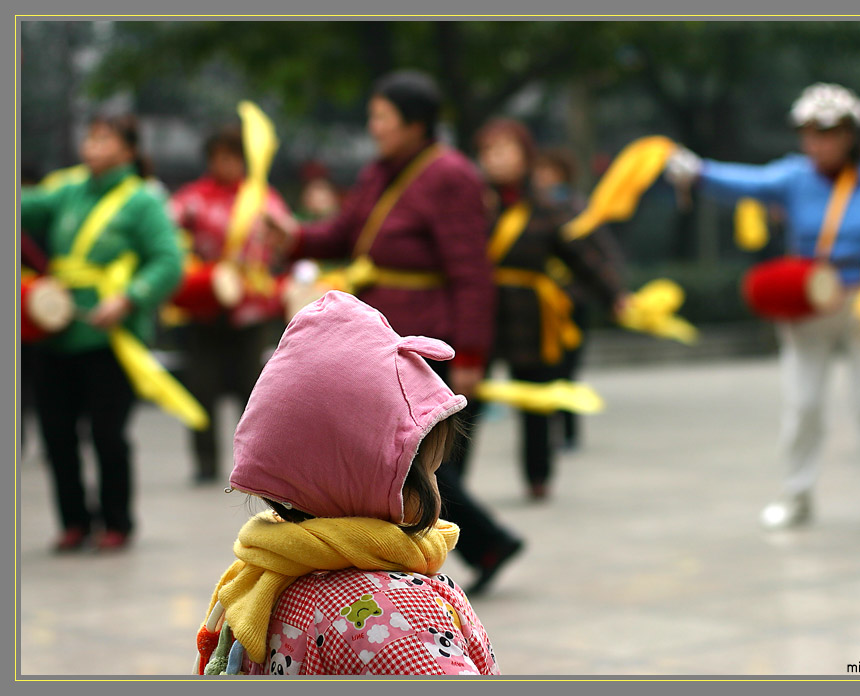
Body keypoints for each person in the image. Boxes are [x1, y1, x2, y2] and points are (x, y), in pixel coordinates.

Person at [266, 70, 522, 595]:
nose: (373, 126)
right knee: (400, 455)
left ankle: (478, 544)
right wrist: (294, 239)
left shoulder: (451, 175)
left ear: (416, 123)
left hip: (435, 341)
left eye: (382, 116)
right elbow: (346, 233)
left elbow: (472, 271)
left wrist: (472, 352)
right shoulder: (378, 173)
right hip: (386, 339)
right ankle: (477, 544)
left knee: (414, 457)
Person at [664, 83, 860, 533]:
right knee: (803, 404)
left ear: (852, 134)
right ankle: (796, 496)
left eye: (830, 132)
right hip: (810, 299)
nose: (819, 142)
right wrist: (696, 172)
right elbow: (744, 183)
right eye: (810, 132)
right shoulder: (794, 176)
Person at [194, 291, 500, 676]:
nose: (437, 487)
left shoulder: (264, 584)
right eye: (429, 471)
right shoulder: (394, 616)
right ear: (378, 481)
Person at [20, 112, 184, 551]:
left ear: (129, 150)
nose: (92, 144)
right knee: (56, 432)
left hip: (111, 338)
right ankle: (74, 521)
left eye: (104, 137)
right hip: (57, 329)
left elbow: (168, 261)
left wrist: (128, 298)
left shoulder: (142, 200)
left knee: (107, 434)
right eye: (89, 136)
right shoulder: (67, 189)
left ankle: (117, 522)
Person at [474, 119, 627, 499]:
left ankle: (538, 477)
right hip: (480, 310)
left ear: (526, 157)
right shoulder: (471, 206)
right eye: (489, 152)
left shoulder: (546, 206)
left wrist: (615, 296)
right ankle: (450, 483)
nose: (497, 159)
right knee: (464, 401)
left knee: (536, 398)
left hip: (531, 312)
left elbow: (582, 255)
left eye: (505, 150)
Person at [169, 124, 294, 484]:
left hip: (250, 310)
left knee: (252, 390)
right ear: (210, 160)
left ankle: (255, 462)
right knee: (200, 389)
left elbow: (286, 238)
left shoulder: (262, 198)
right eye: (220, 157)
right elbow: (166, 236)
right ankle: (205, 462)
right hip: (203, 307)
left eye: (235, 157)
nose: (227, 164)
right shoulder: (192, 198)